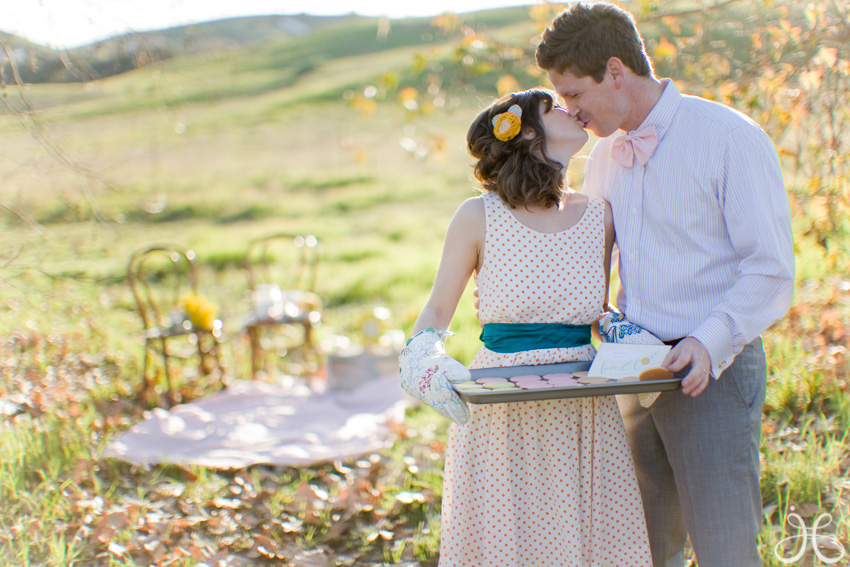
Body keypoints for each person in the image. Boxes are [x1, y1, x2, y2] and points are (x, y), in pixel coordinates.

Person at [534, 3, 795, 567]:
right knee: (643, 550)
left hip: (711, 372)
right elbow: (587, 265)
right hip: (630, 372)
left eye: (574, 93)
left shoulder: (729, 137)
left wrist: (708, 340)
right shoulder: (603, 156)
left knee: (725, 550)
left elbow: (771, 269)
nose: (568, 109)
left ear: (615, 70)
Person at [399, 88, 652, 566]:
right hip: (502, 401)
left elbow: (595, 310)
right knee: (511, 538)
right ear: (528, 134)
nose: (570, 109)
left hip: (582, 401)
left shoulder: (599, 215)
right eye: (553, 107)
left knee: (586, 536)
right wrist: (424, 358)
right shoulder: (478, 215)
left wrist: (634, 342)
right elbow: (436, 311)